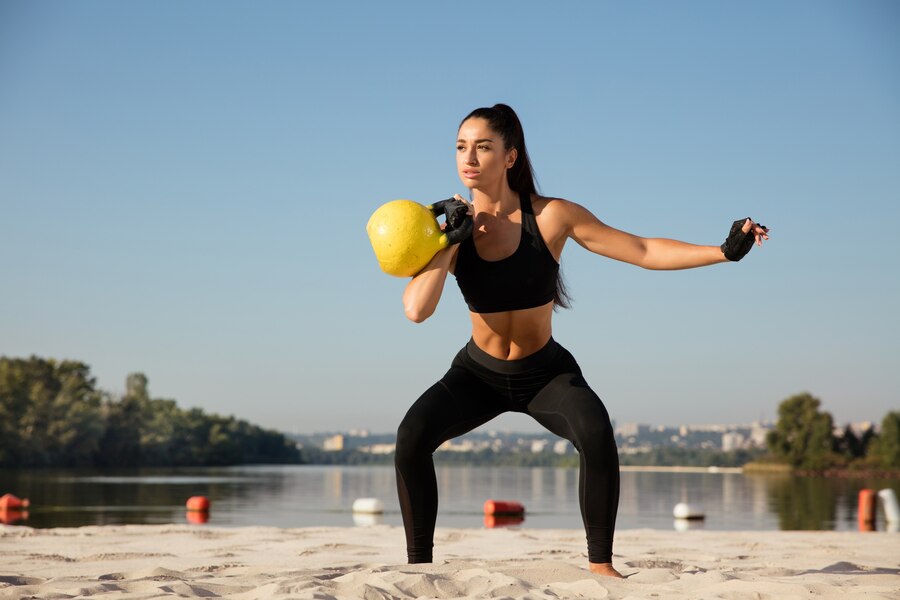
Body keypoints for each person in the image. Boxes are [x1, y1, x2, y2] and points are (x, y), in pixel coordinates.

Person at [393, 103, 769, 577]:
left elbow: (643, 250)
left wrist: (724, 251)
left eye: (483, 147)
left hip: (544, 373)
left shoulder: (552, 217)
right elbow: (416, 310)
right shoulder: (449, 229)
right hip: (477, 374)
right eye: (461, 147)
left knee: (595, 433)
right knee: (410, 439)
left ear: (510, 157)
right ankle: (418, 568)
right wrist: (448, 244)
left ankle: (600, 567)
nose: (469, 157)